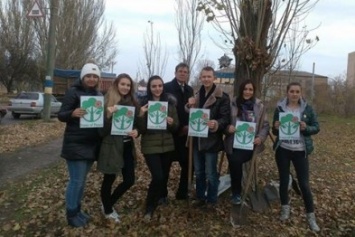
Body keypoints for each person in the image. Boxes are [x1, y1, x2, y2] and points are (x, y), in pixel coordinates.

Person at [58, 63, 102, 227]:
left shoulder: (98, 95)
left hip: (91, 144)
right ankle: (71, 214)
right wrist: (72, 113)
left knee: (82, 180)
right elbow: (61, 115)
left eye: (95, 76)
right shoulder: (73, 92)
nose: (91, 79)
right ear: (83, 77)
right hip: (75, 143)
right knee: (76, 181)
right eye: (88, 76)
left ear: (98, 79)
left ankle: (77, 210)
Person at [272, 82, 320, 232]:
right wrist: (276, 127)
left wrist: (306, 128)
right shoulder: (280, 108)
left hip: (300, 151)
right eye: (291, 91)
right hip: (283, 150)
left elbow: (316, 127)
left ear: (301, 93)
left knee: (304, 184)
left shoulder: (307, 109)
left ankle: (311, 216)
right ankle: (285, 208)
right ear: (287, 93)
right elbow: (275, 131)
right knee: (284, 180)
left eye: (297, 91)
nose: (294, 94)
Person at [97, 73, 140, 223]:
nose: (125, 87)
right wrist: (108, 115)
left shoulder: (133, 102)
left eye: (128, 85)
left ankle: (107, 202)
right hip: (111, 146)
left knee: (129, 180)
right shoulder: (107, 101)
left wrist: (136, 131)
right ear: (117, 84)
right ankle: (108, 210)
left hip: (127, 146)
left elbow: (136, 124)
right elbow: (101, 131)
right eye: (123, 84)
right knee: (109, 178)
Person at [136, 75, 179, 220]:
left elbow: (176, 127)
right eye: (154, 86)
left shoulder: (170, 104)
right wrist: (141, 115)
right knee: (158, 176)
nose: (157, 89)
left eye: (160, 86)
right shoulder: (143, 104)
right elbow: (140, 129)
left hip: (167, 146)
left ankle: (160, 197)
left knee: (164, 176)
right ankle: (150, 206)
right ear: (149, 88)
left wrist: (171, 122)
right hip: (150, 146)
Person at [186, 66, 230, 207]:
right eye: (203, 76)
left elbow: (225, 118)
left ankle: (211, 199)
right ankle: (200, 197)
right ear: (200, 78)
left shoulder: (222, 97)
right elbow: (191, 112)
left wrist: (216, 123)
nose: (206, 79)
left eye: (209, 76)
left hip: (211, 140)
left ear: (214, 78)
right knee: (199, 171)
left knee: (211, 173)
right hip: (197, 139)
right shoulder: (198, 94)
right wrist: (189, 105)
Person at [223, 80, 269, 205]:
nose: (247, 92)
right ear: (241, 90)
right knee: (234, 161)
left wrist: (260, 137)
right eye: (245, 89)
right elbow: (224, 120)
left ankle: (236, 192)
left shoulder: (259, 106)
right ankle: (236, 191)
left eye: (250, 90)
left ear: (253, 91)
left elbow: (265, 125)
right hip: (232, 142)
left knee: (236, 161)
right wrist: (228, 128)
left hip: (250, 144)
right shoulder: (232, 103)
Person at [164, 63, 194, 200]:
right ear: (175, 72)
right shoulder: (166, 88)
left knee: (189, 164)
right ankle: (162, 194)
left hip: (186, 134)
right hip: (170, 133)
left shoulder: (190, 90)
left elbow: (192, 110)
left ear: (188, 74)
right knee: (166, 164)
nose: (183, 73)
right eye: (180, 71)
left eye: (185, 72)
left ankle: (182, 194)